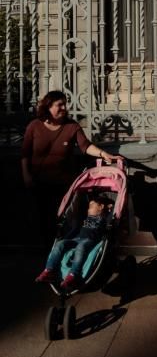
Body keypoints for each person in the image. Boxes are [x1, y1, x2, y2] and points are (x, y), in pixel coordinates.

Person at [22, 90, 115, 246]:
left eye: (65, 104)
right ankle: (46, 251)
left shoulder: (72, 126)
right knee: (43, 217)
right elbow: (25, 153)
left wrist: (103, 154)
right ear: (48, 106)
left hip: (64, 183)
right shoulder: (34, 126)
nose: (64, 108)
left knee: (63, 219)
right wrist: (26, 175)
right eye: (59, 105)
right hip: (39, 181)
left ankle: (61, 248)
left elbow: (85, 146)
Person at [35, 195, 113, 291]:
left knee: (81, 247)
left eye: (91, 206)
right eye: (89, 207)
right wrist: (66, 237)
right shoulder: (85, 218)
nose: (88, 209)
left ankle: (73, 274)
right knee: (60, 244)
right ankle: (48, 270)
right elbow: (75, 228)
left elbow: (112, 218)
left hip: (90, 240)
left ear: (101, 207)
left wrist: (110, 208)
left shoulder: (103, 218)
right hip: (78, 238)